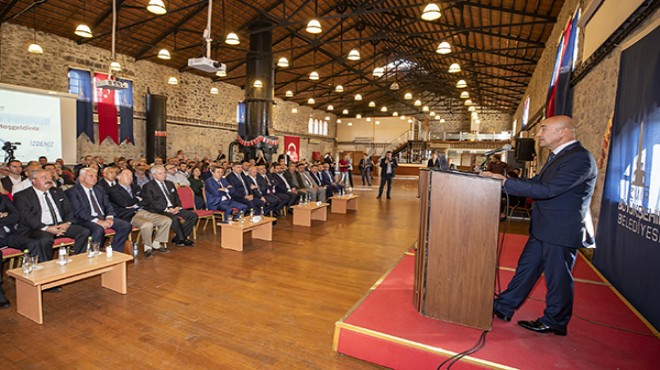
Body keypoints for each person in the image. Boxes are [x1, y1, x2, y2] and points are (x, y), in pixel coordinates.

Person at [481, 115, 597, 336]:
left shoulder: (579, 159)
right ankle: (504, 306)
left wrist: (506, 183)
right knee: (526, 270)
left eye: (544, 129)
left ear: (563, 131)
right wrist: (501, 180)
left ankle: (555, 321)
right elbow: (537, 183)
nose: (538, 134)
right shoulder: (560, 156)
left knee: (557, 279)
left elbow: (548, 190)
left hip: (560, 230)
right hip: (544, 228)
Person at [13, 169, 90, 259]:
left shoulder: (57, 192)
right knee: (45, 240)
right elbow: (27, 217)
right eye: (44, 178)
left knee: (84, 232)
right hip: (37, 228)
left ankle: (79, 260)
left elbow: (68, 209)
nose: (49, 180)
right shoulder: (22, 196)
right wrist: (47, 228)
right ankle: (46, 267)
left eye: (50, 177)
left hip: (60, 224)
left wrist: (67, 223)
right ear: (33, 181)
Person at [107, 169, 173, 257]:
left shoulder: (136, 187)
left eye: (131, 175)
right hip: (128, 215)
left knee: (166, 220)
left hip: (141, 211)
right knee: (147, 224)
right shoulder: (113, 190)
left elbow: (146, 200)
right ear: (119, 177)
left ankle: (156, 243)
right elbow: (124, 203)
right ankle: (147, 247)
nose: (130, 178)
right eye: (127, 175)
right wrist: (138, 199)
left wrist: (135, 203)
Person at [66, 168, 132, 252]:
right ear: (81, 178)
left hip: (102, 217)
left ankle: (115, 251)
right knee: (98, 229)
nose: (94, 178)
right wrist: (97, 221)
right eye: (91, 176)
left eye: (96, 176)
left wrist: (109, 217)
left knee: (125, 226)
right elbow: (79, 212)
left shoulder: (99, 189)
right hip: (85, 220)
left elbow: (108, 205)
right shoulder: (73, 192)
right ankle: (94, 253)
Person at [141, 165, 198, 246]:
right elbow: (152, 203)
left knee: (193, 216)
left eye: (164, 172)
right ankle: (182, 239)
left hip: (174, 208)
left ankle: (179, 238)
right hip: (160, 210)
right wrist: (167, 209)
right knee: (174, 219)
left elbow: (176, 197)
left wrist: (178, 206)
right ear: (154, 175)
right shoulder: (148, 186)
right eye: (160, 173)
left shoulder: (169, 184)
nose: (164, 175)